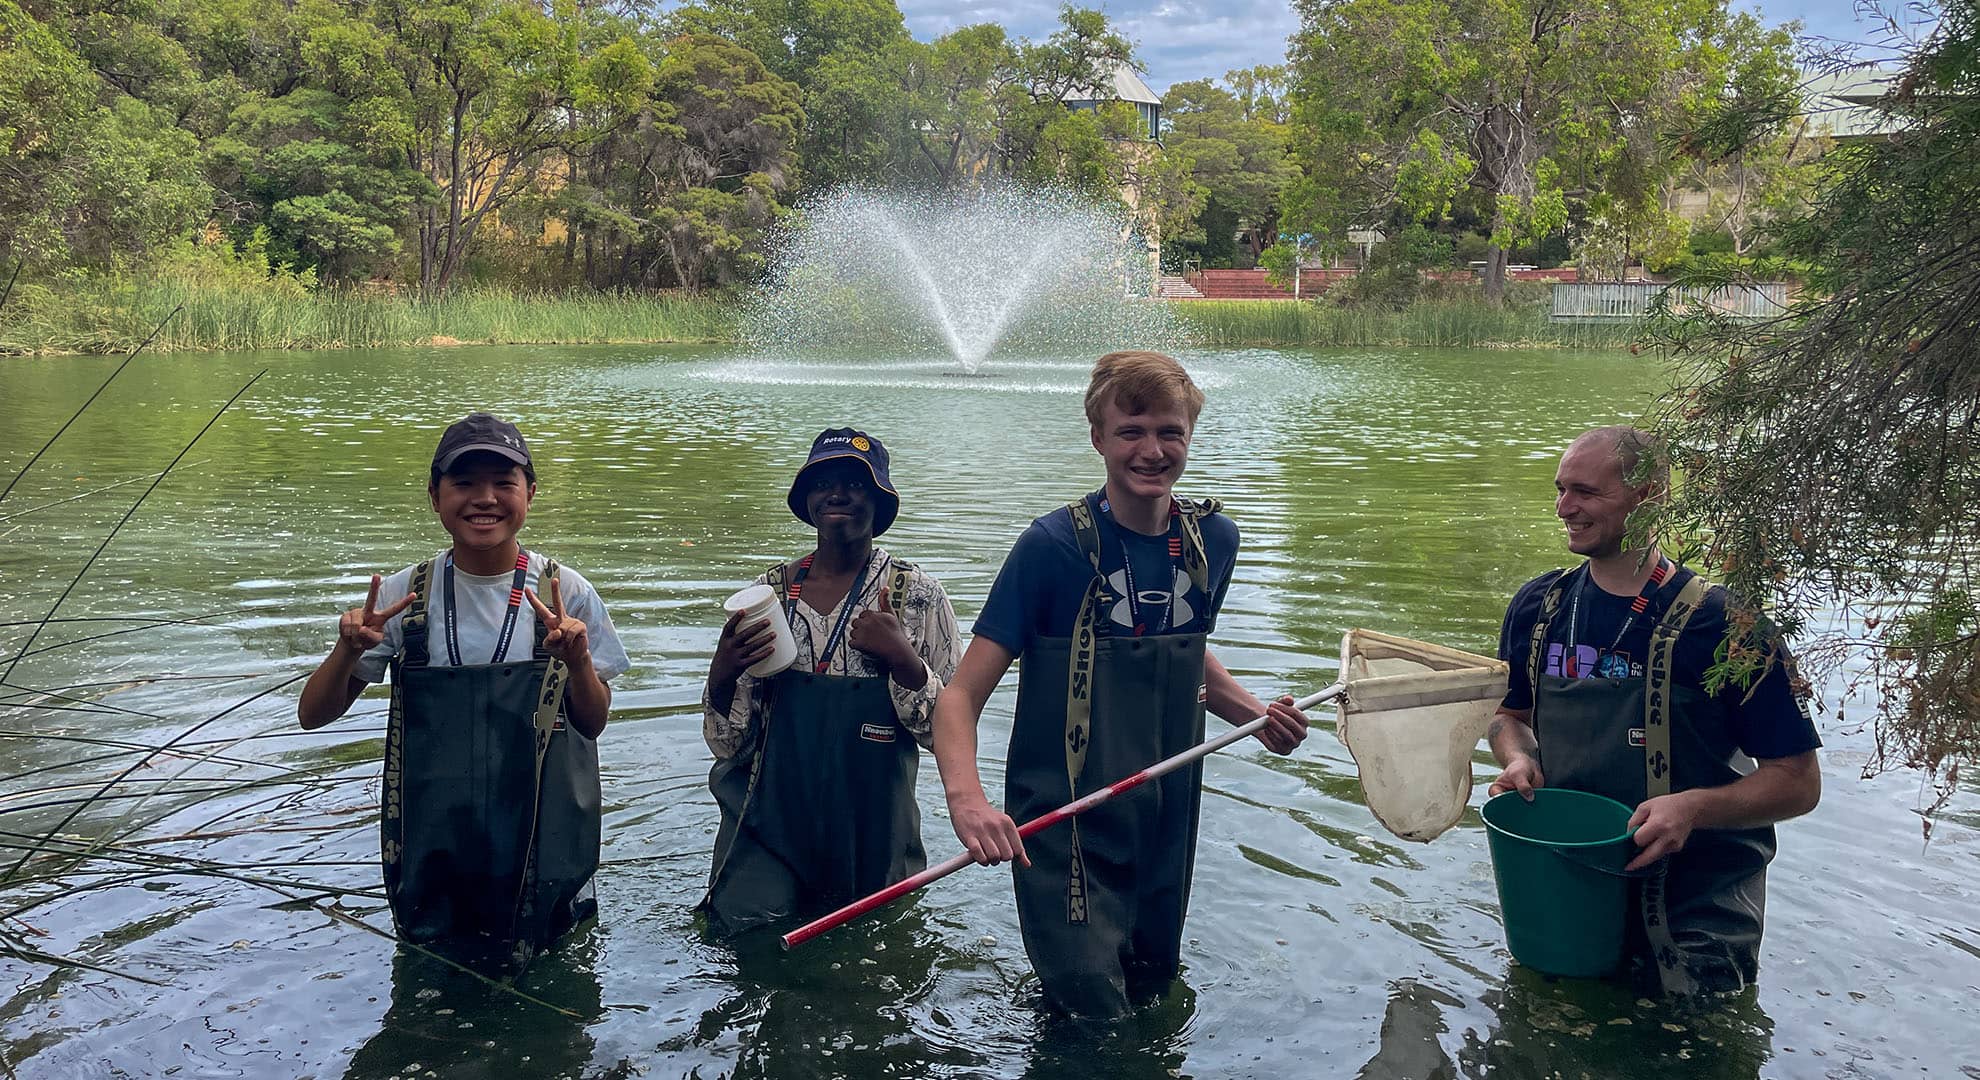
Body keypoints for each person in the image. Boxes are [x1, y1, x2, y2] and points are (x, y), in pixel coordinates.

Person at [930, 351, 1310, 1018]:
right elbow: (959, 695)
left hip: (1168, 815)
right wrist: (968, 803)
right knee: (1092, 1012)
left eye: (1171, 432)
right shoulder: (1052, 547)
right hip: (1065, 821)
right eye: (1131, 431)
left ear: (1190, 437)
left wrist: (1256, 717)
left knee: (1152, 988)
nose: (1152, 450)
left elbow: (1182, 652)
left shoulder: (1212, 540)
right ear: (1098, 438)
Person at [1487, 425, 1821, 995]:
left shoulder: (1728, 625)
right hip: (1566, 893)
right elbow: (1508, 718)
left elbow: (1798, 783)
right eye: (1561, 489)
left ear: (1650, 499)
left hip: (1698, 916)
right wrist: (1517, 759)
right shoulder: (1538, 606)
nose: (1566, 507)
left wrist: (1693, 807)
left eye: (1586, 492)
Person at [297, 413, 630, 964]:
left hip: (542, 832)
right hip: (436, 838)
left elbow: (592, 723)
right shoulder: (407, 594)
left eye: (504, 483)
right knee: (437, 965)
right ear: (433, 496)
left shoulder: (565, 591)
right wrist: (349, 649)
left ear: (530, 493)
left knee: (550, 965)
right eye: (464, 483)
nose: (485, 499)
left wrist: (578, 663)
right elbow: (313, 716)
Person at [700, 427, 960, 934]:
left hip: (873, 829)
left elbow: (948, 734)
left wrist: (904, 661)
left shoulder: (917, 596)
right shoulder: (768, 596)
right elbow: (728, 745)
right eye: (823, 483)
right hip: (767, 827)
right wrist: (722, 673)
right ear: (806, 499)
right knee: (745, 944)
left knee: (875, 959)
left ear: (880, 502)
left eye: (856, 484)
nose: (838, 494)